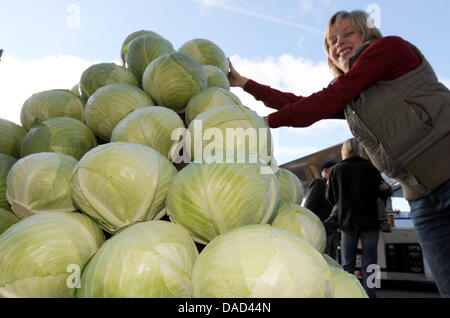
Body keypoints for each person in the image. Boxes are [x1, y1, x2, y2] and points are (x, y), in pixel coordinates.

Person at [228, 10, 450, 297]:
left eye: (349, 33)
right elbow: (301, 104)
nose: (340, 43)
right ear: (329, 54)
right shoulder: (352, 97)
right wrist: (245, 83)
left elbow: (323, 101)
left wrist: (263, 123)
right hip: (421, 200)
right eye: (332, 41)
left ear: (367, 35)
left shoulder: (389, 48)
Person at [325, 139, 382, 297]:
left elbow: (331, 198)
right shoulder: (371, 166)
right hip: (371, 221)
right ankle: (370, 295)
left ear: (344, 151)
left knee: (347, 263)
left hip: (347, 222)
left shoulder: (337, 170)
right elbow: (381, 191)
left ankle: (347, 293)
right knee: (371, 263)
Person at [304, 161, 340, 260]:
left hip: (333, 231)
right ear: (325, 171)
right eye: (334, 169)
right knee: (324, 260)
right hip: (321, 229)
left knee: (333, 261)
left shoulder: (336, 186)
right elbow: (309, 206)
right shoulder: (319, 183)